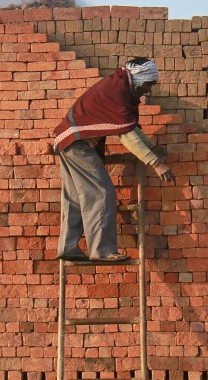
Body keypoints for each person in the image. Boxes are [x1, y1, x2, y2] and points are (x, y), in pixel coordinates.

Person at [53, 57, 174, 261]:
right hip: (78, 144)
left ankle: (67, 247)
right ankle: (102, 251)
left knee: (74, 198)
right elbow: (127, 135)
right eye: (148, 84)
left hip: (67, 141)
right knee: (101, 193)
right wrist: (156, 163)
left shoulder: (118, 85)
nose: (148, 90)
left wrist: (152, 147)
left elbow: (128, 127)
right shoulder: (119, 91)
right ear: (139, 78)